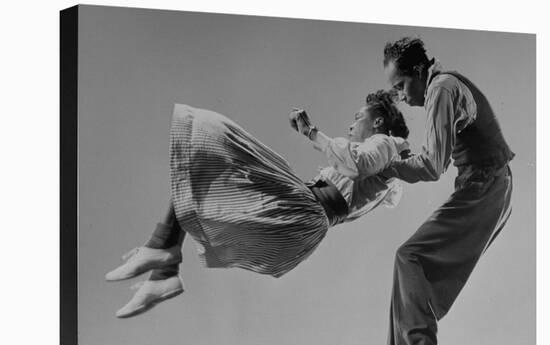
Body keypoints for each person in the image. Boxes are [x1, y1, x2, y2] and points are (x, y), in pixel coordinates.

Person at [105, 91, 411, 318]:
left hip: (306, 208)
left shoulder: (383, 144)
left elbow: (356, 164)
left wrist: (311, 132)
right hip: (303, 221)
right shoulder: (389, 168)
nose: (352, 124)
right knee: (206, 175)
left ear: (378, 122)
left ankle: (161, 253)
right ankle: (163, 271)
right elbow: (380, 184)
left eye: (359, 118)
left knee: (211, 138)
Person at [358, 37, 514, 345]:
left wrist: (386, 167)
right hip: (485, 186)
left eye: (400, 85)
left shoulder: (441, 88)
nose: (400, 95)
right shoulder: (440, 88)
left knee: (409, 257)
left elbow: (431, 166)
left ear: (418, 71)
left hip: (487, 186)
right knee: (409, 266)